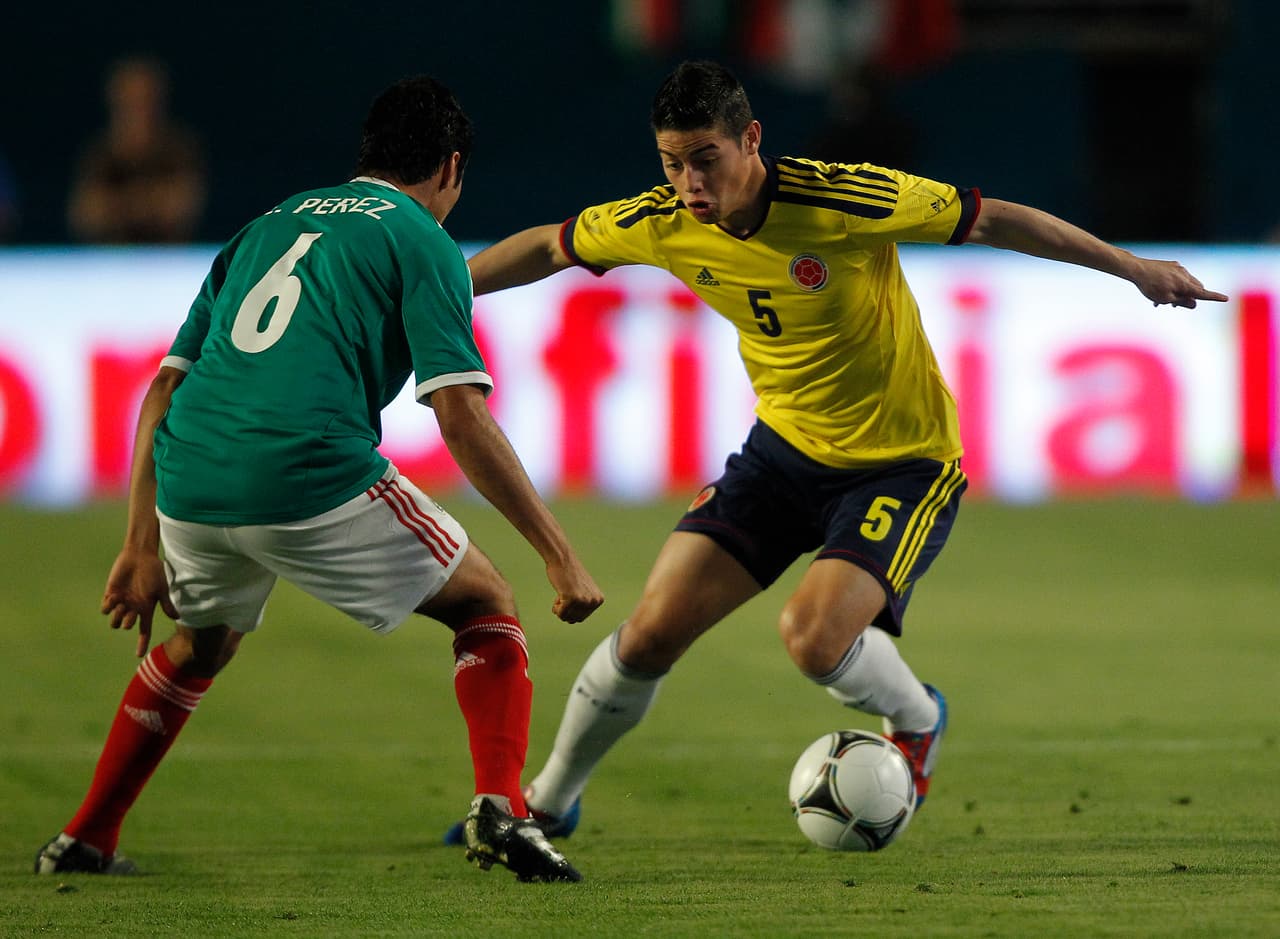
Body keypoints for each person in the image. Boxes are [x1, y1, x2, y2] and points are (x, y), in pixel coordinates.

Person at [444, 59, 1227, 844]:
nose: (689, 183)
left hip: (903, 462)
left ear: (751, 139)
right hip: (782, 453)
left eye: (705, 159)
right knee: (648, 634)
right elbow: (551, 246)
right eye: (672, 162)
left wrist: (1134, 269)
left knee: (814, 638)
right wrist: (436, 289)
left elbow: (995, 220)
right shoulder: (660, 219)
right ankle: (547, 800)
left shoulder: (844, 199)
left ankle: (916, 717)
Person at [35, 75, 603, 884]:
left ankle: (85, 837)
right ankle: (502, 807)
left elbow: (162, 388)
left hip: (190, 477)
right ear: (450, 167)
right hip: (304, 466)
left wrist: (140, 543)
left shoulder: (265, 224)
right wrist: (559, 553)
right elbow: (461, 414)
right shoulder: (423, 239)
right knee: (486, 605)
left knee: (200, 645)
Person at [67, 56, 207, 244]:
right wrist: (150, 202)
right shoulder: (101, 154)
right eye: (130, 100)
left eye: (145, 100)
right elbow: (86, 216)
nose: (139, 109)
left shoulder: (179, 149)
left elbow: (182, 208)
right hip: (112, 261)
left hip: (169, 261)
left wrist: (119, 207)